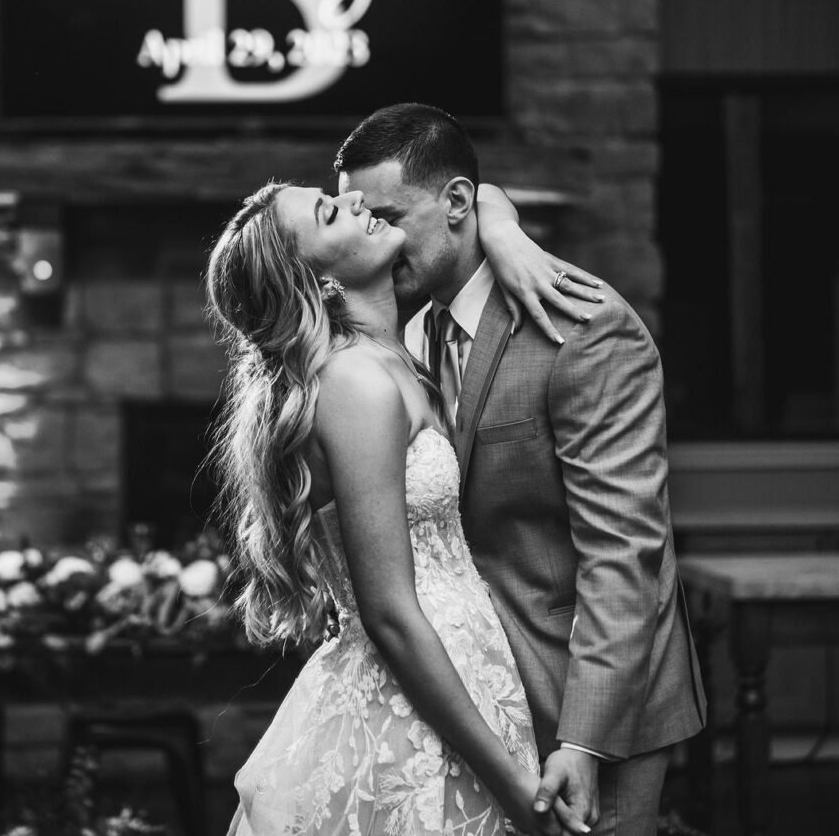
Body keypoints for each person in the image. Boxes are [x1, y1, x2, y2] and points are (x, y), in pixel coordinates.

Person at [334, 103, 708, 836]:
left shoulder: (584, 328)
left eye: (386, 215)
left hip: (592, 695)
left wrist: (584, 739)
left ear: (457, 204)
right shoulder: (406, 329)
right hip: (477, 694)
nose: (372, 236)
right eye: (357, 217)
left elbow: (624, 554)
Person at [205, 180, 599, 836]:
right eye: (331, 212)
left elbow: (476, 191)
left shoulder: (396, 352)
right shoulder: (355, 382)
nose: (357, 201)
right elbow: (389, 613)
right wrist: (513, 787)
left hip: (467, 677)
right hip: (412, 710)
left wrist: (500, 226)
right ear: (318, 281)